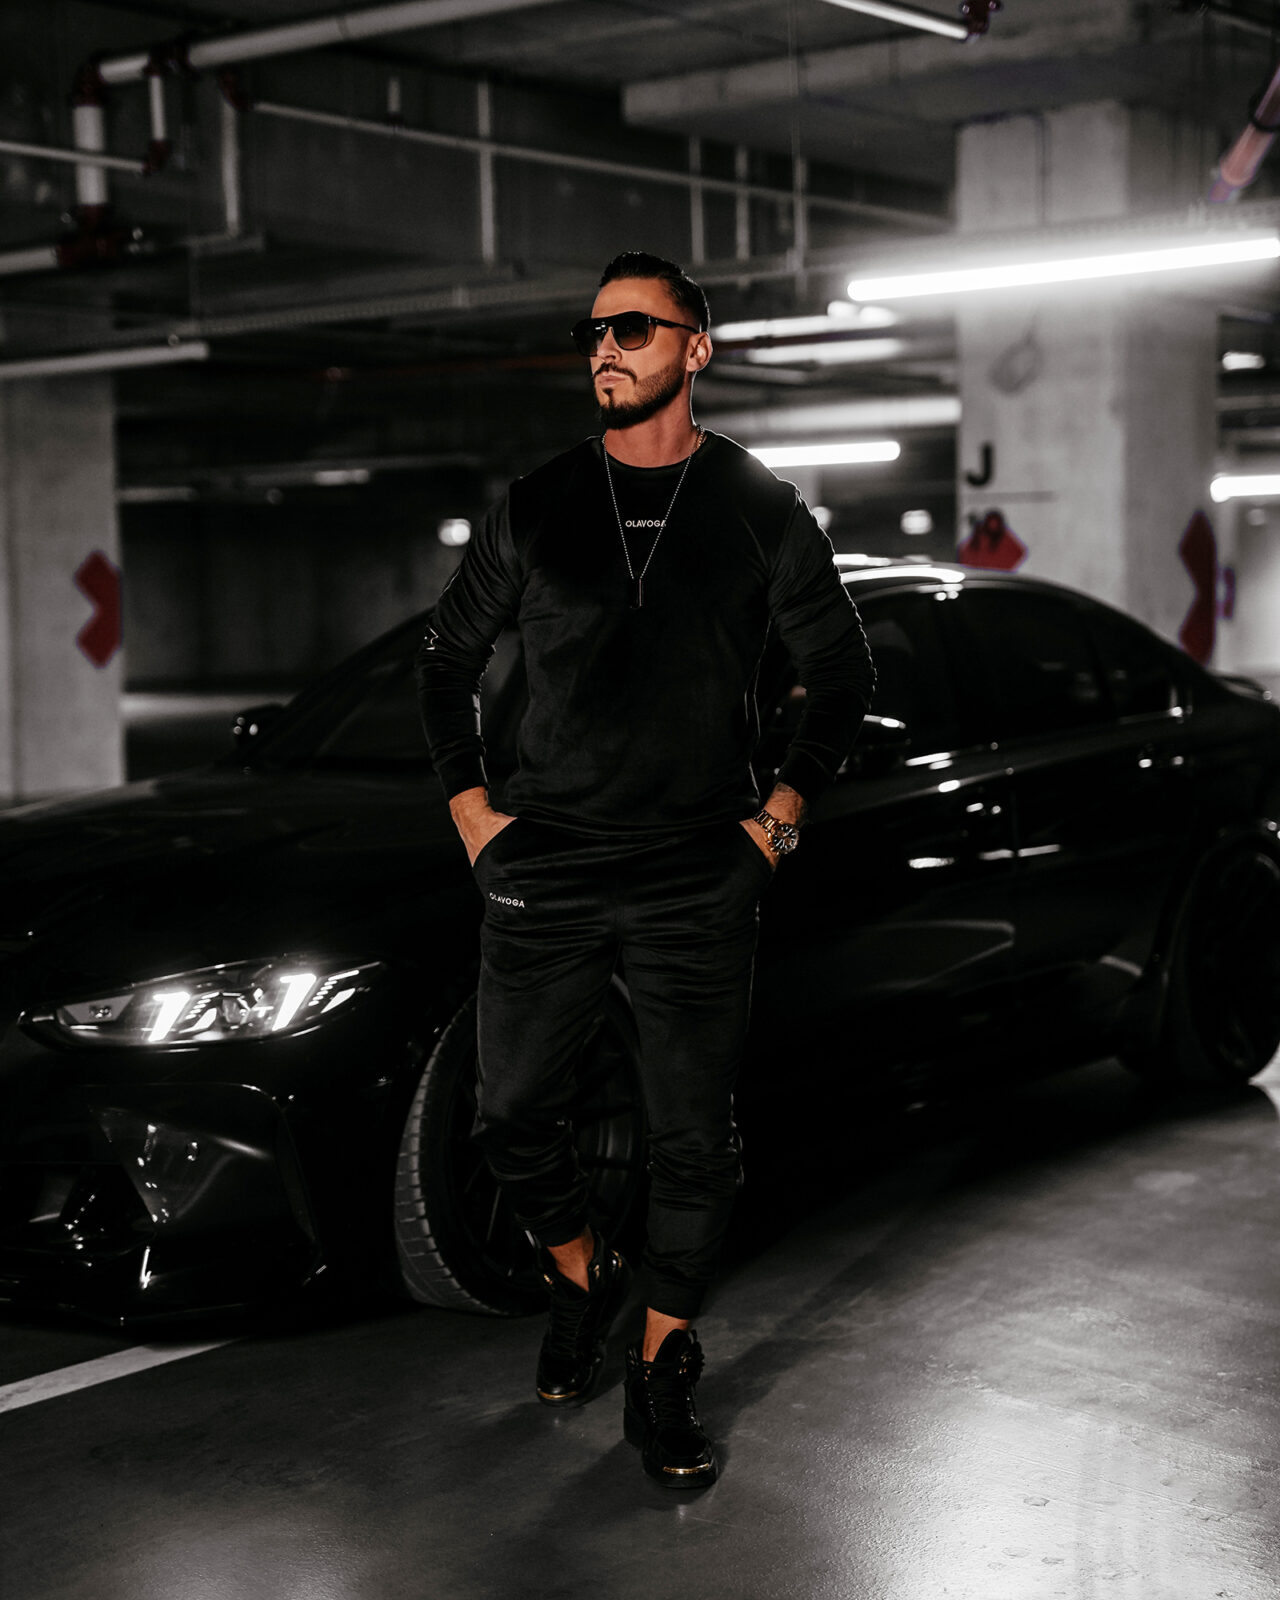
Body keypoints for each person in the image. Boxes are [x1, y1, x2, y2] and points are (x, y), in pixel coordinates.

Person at [415, 249, 874, 1489]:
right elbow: (446, 659)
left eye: (632, 328)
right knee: (509, 1114)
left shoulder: (756, 507)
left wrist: (775, 820)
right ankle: (581, 1273)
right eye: (593, 331)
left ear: (695, 349)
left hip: (694, 868)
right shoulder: (538, 502)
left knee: (690, 1141)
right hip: (546, 859)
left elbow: (840, 672)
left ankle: (664, 1355)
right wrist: (472, 810)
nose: (604, 350)